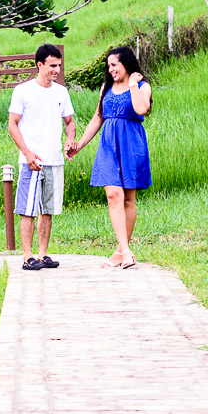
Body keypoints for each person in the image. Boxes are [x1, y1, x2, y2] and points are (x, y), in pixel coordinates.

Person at [69, 46, 152, 269]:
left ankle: (119, 252)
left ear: (126, 63)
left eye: (114, 65)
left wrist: (133, 84)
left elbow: (141, 108)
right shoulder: (106, 87)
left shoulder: (143, 86)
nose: (111, 69)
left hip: (132, 144)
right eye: (109, 66)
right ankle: (126, 252)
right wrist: (80, 145)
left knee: (128, 199)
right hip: (108, 146)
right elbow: (98, 118)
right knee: (113, 195)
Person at [8, 43, 76, 271]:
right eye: (52, 65)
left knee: (48, 209)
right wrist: (27, 153)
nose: (56, 69)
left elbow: (70, 122)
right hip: (32, 162)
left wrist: (70, 139)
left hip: (54, 160)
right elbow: (12, 124)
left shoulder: (61, 92)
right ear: (40, 65)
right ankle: (27, 256)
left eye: (58, 65)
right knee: (27, 209)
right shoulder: (23, 91)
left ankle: (43, 254)